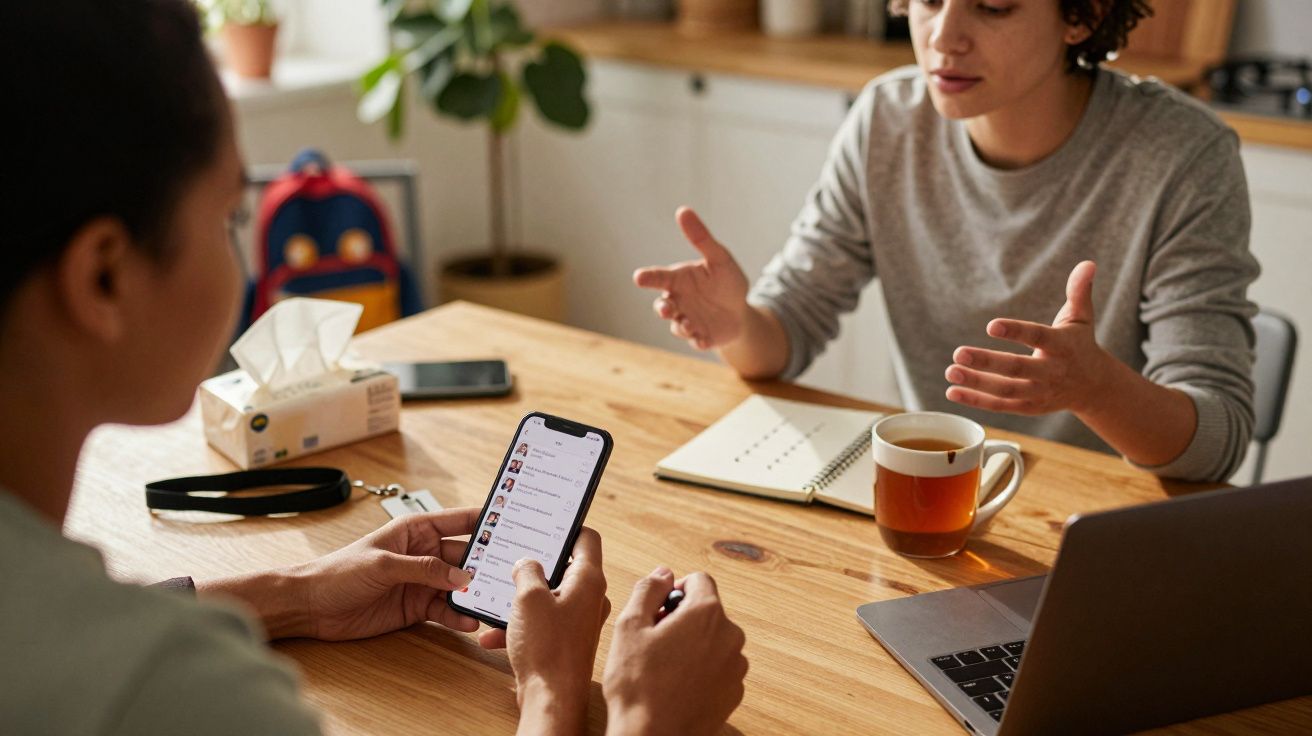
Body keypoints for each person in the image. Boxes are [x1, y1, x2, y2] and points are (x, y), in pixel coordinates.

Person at [0, 2, 747, 734]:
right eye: (229, 217)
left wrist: (297, 594)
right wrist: (613, 709)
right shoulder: (173, 692)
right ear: (103, 278)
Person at [635, 0, 1258, 483]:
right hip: (935, 502)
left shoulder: (1183, 156)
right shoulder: (887, 120)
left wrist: (1095, 388)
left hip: (1099, 536)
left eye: (993, 7)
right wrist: (736, 325)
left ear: (1082, 15)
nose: (943, 37)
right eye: (929, 0)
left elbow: (1217, 442)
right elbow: (784, 337)